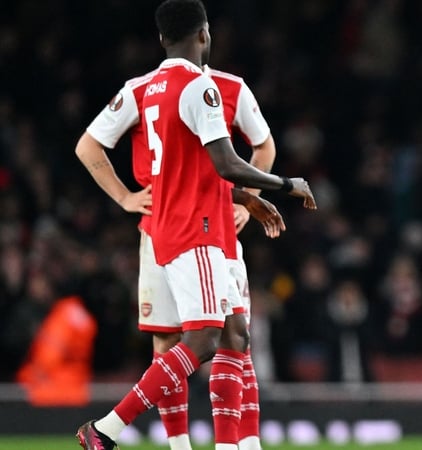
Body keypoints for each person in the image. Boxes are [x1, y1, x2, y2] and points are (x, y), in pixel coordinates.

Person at [75, 1, 316, 449]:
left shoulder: (150, 88)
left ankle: (238, 445)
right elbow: (226, 163)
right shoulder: (201, 87)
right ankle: (109, 428)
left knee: (234, 333)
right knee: (203, 340)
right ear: (204, 34)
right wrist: (286, 184)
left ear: (162, 39)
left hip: (174, 223)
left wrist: (247, 198)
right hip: (197, 228)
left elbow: (193, 169)